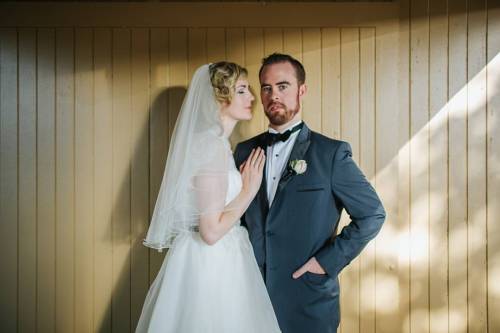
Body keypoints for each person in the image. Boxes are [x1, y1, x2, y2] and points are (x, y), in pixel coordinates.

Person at [234, 53, 386, 333]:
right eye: (266, 88)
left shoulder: (331, 153)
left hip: (308, 301)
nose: (273, 95)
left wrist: (325, 263)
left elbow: (372, 214)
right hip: (249, 297)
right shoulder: (244, 152)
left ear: (302, 90)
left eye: (283, 86)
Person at [136, 62, 281, 333]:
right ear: (219, 97)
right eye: (241, 91)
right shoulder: (211, 146)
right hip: (211, 262)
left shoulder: (218, 145)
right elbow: (211, 231)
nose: (252, 97)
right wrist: (248, 191)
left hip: (221, 257)